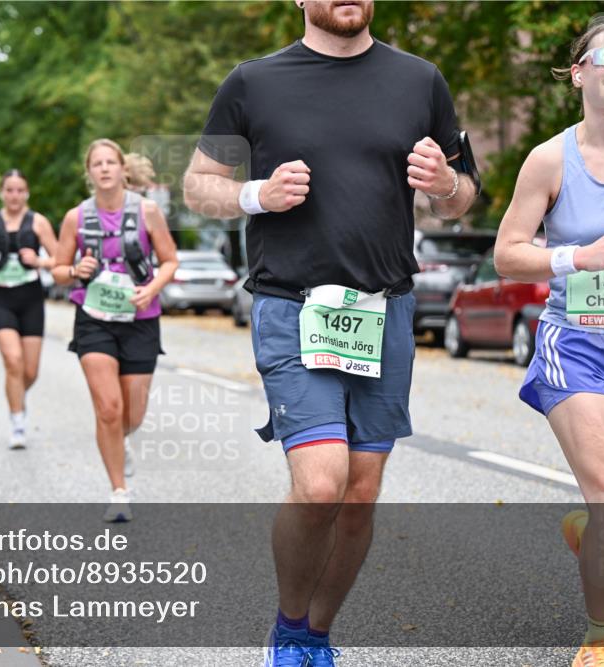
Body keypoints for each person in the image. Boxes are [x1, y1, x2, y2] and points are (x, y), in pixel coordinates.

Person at [182, 1, 477, 664]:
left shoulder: (420, 80)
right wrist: (257, 194)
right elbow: (199, 186)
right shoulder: (254, 81)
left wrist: (445, 184)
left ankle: (316, 635)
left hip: (384, 310)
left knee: (360, 494)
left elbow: (464, 195)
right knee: (321, 485)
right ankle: (288, 632)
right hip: (293, 305)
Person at [494, 16, 604, 667]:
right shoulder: (549, 159)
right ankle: (601, 639)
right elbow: (508, 254)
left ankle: (592, 531)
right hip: (578, 345)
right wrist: (574, 258)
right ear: (579, 73)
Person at [52, 139, 179, 522]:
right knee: (109, 409)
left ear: (123, 169)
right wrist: (74, 270)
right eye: (97, 163)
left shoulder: (147, 211)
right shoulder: (76, 217)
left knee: (132, 414)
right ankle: (119, 491)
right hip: (94, 318)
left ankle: (120, 442)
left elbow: (170, 260)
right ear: (89, 173)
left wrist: (151, 289)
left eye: (111, 162)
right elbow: (58, 271)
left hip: (140, 318)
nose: (105, 168)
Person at [0, 170, 59, 448]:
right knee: (13, 360)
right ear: (1, 193)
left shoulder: (38, 222)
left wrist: (39, 261)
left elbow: (59, 259)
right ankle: (17, 422)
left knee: (30, 372)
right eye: (9, 190)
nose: (14, 195)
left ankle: (16, 394)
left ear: (27, 193)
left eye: (19, 190)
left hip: (30, 299)